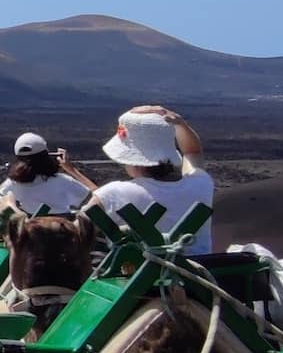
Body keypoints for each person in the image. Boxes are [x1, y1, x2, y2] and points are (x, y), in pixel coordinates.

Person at [84, 105, 214, 253]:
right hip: (199, 270)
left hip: (139, 273)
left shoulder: (112, 193)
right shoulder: (201, 184)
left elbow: (78, 231)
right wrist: (179, 123)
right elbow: (192, 151)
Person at [0, 131, 95, 217]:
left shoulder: (11, 184)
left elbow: (0, 199)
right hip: (63, 234)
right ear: (46, 156)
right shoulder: (63, 181)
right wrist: (71, 169)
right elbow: (96, 199)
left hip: (30, 235)